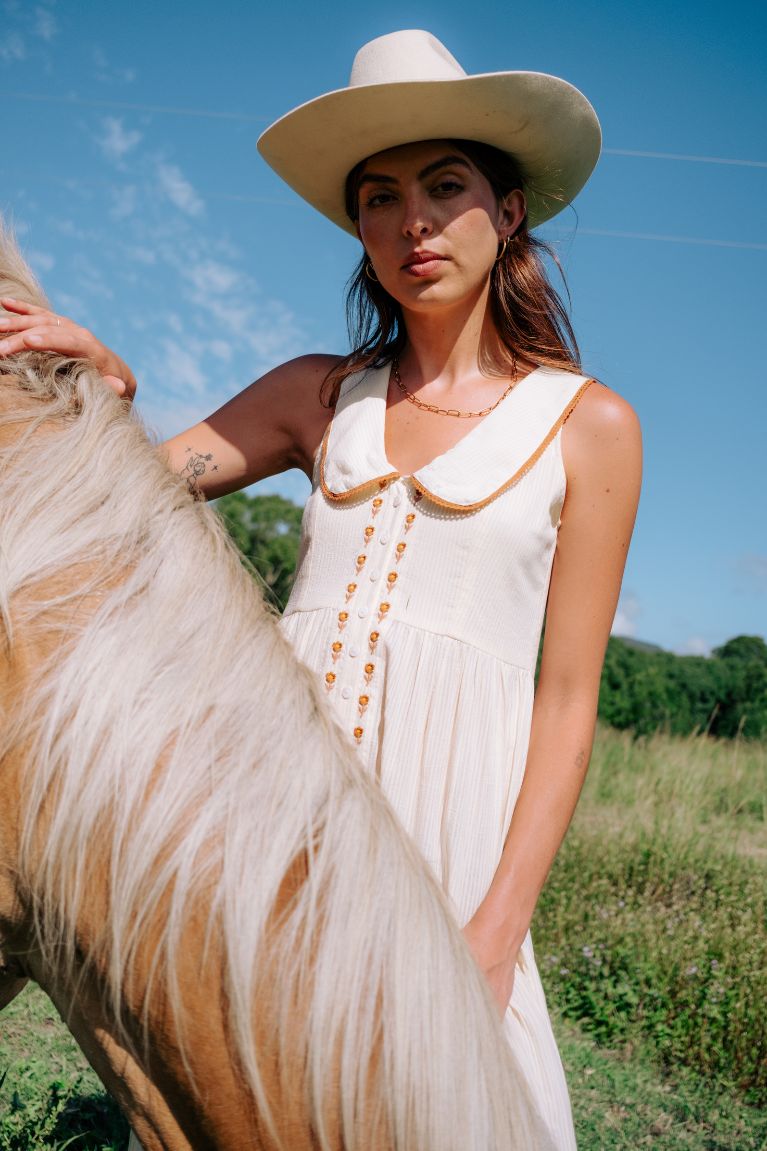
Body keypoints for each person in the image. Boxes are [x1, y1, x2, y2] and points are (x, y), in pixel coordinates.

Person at [0, 30, 642, 1149]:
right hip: (273, 825)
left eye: (445, 187)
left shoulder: (590, 427)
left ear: (508, 209)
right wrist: (106, 372)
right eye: (378, 197)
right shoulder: (316, 394)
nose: (412, 223)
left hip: (450, 831)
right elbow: (126, 498)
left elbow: (566, 701)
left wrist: (494, 928)